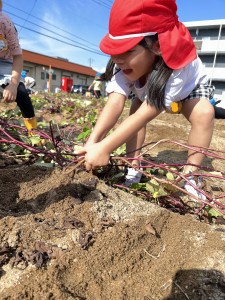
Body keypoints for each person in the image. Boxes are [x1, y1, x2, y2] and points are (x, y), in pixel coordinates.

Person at [76, 0, 215, 200]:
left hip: (188, 89)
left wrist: (106, 148)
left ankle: (192, 174)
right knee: (133, 114)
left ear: (157, 46)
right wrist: (93, 141)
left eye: (127, 51)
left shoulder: (179, 67)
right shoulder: (122, 64)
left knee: (204, 114)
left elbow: (146, 114)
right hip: (152, 89)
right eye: (114, 53)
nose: (118, 59)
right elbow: (115, 103)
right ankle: (134, 164)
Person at [0, 1, 37, 134]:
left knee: (21, 93)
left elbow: (17, 56)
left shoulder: (5, 24)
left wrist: (13, 84)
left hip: (7, 63)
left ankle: (33, 132)